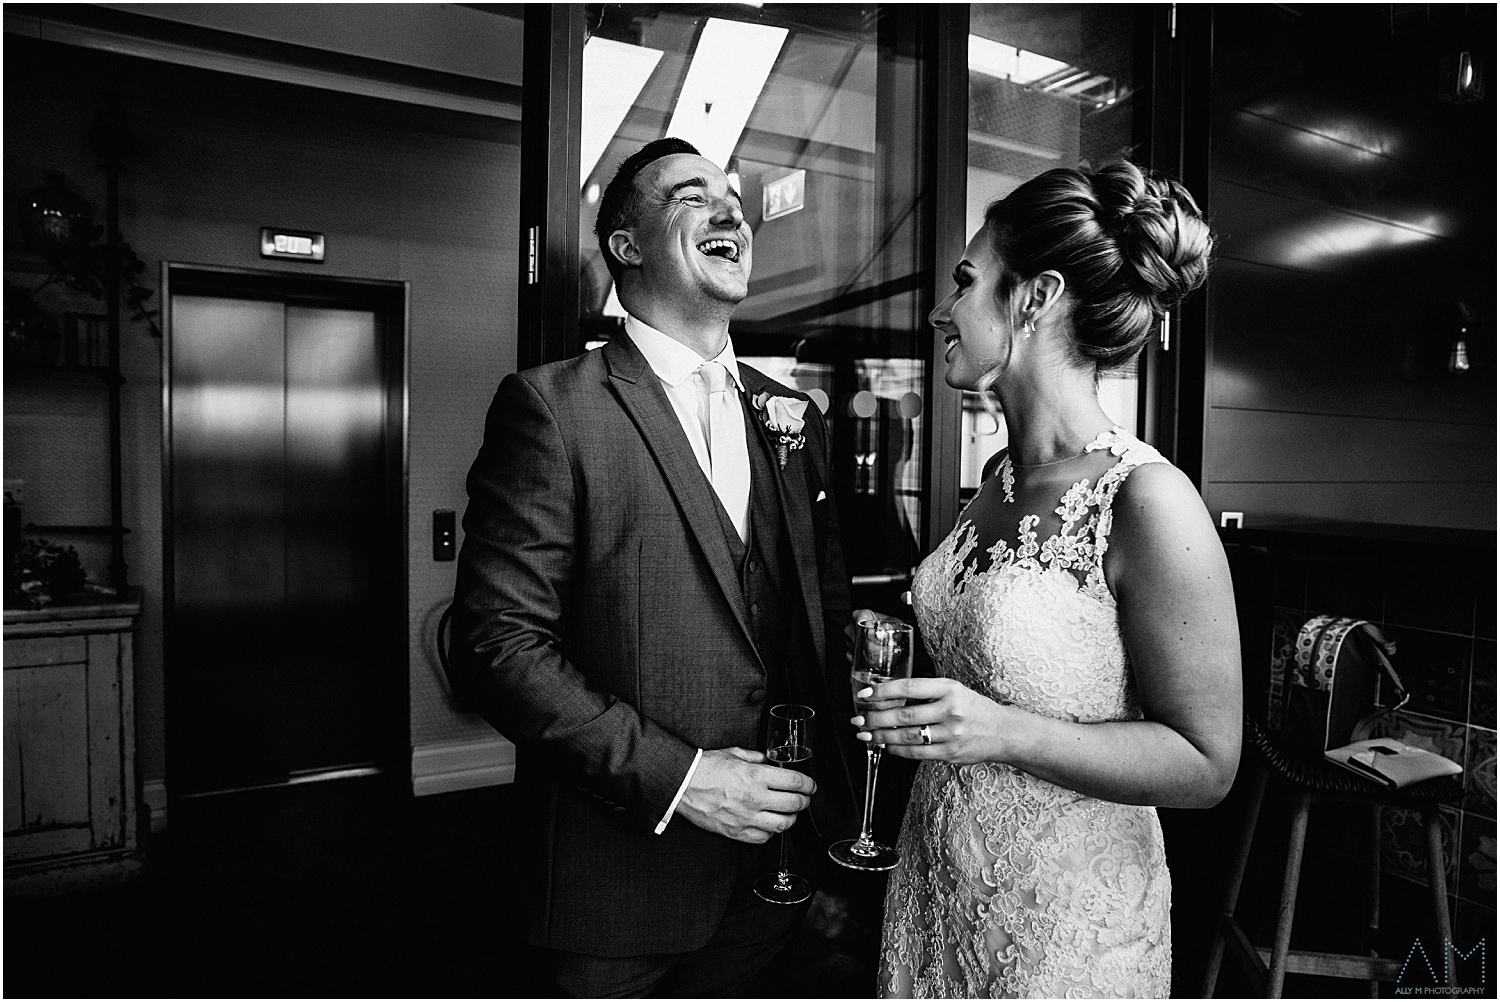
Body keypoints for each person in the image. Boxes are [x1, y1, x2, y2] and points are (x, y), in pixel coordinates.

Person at [449, 137, 859, 998]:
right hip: (616, 890)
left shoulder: (792, 417)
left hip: (772, 880)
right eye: (689, 196)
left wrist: (831, 825)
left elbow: (809, 629)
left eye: (733, 197)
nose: (730, 210)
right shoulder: (552, 408)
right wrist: (683, 780)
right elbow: (497, 647)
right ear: (626, 247)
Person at [858, 159, 1242, 998]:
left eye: (965, 281)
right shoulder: (992, 478)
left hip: (1065, 928)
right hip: (937, 885)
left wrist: (1000, 732)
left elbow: (1207, 764)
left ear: (1034, 298)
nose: (940, 309)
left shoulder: (1147, 498)